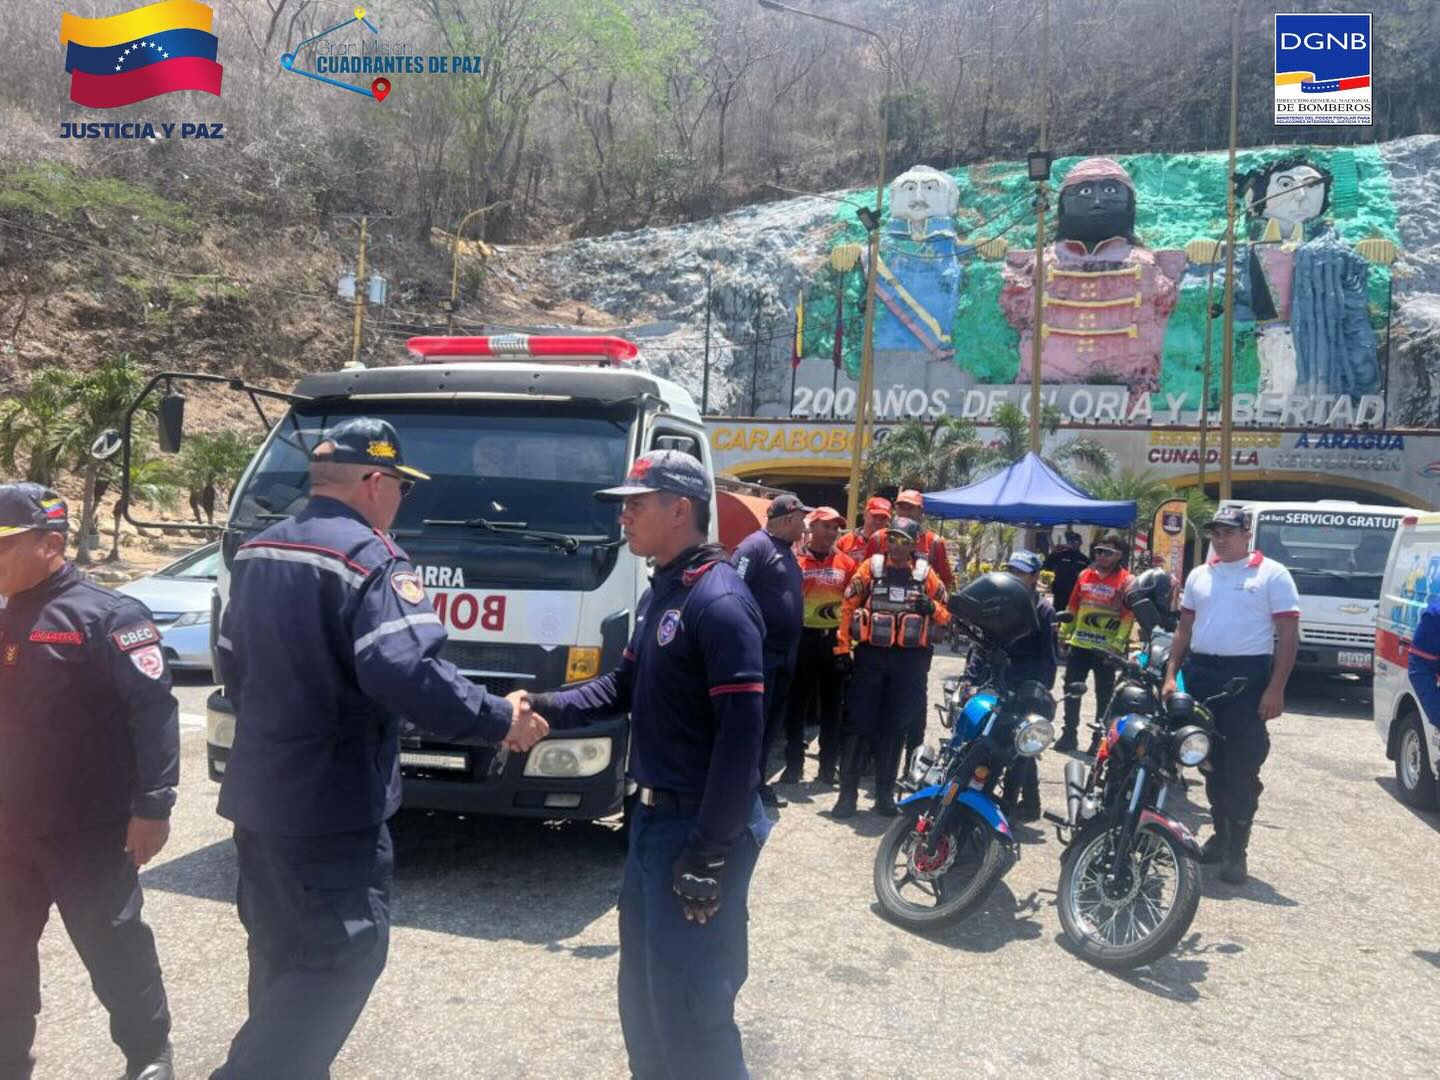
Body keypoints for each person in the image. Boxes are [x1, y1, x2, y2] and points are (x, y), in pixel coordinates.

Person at [212, 418, 548, 1079]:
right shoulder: (371, 559)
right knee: (345, 954)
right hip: (331, 805)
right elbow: (405, 671)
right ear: (374, 482)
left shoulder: (256, 551)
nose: (401, 500)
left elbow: (230, 663)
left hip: (258, 798)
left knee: (283, 961)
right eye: (401, 487)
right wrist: (496, 718)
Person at [521, 449, 769, 1080]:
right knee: (645, 998)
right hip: (653, 825)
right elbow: (620, 688)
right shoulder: (664, 591)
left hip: (697, 831)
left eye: (635, 503)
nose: (623, 516)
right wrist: (542, 703)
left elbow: (743, 743)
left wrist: (710, 853)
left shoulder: (720, 602)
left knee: (694, 1010)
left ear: (680, 508)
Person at [0, 484, 178, 1080]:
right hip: (8, 831)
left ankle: (149, 1055)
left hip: (88, 831)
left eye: (4, 547)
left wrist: (154, 804)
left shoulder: (108, 616)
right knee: (4, 960)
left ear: (51, 544)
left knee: (114, 949)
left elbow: (153, 713)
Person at [1163, 506, 1299, 885]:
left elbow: (1288, 635)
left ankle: (1237, 849)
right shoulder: (1199, 575)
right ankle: (1220, 837)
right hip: (1201, 673)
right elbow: (1183, 630)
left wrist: (1276, 688)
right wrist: (1171, 674)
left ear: (1246, 534)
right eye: (1215, 532)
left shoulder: (1272, 574)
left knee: (1241, 768)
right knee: (1208, 762)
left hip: (1246, 677)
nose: (1221, 538)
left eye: (1228, 531)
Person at [832, 518, 951, 818]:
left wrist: (931, 608)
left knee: (895, 728)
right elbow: (847, 607)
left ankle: (884, 795)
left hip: (909, 661)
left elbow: (948, 615)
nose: (897, 545)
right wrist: (843, 647)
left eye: (903, 540)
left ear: (914, 544)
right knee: (859, 724)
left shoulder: (926, 575)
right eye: (892, 538)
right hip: (872, 656)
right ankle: (847, 796)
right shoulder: (870, 569)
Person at [865, 490, 955, 761]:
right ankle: (874, 757)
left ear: (921, 512)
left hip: (917, 637)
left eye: (911, 508)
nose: (905, 511)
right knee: (877, 697)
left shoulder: (934, 543)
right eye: (901, 506)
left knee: (915, 698)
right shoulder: (879, 539)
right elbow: (865, 578)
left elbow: (945, 587)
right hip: (879, 635)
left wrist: (939, 619)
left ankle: (912, 759)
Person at [731, 491, 807, 808]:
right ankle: (741, 790)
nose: (805, 525)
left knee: (771, 726)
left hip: (784, 655)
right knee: (753, 725)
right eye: (802, 519)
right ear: (788, 518)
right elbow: (731, 590)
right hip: (761, 654)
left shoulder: (786, 551)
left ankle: (757, 783)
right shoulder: (755, 546)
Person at [784, 507, 858, 785]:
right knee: (798, 705)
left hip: (834, 643)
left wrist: (848, 645)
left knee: (832, 707)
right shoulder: (795, 561)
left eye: (836, 527)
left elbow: (853, 605)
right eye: (826, 526)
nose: (832, 532)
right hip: (802, 640)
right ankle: (793, 766)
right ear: (812, 527)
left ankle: (828, 767)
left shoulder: (847, 564)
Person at [984, 551, 1058, 821]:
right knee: (991, 740)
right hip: (998, 679)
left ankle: (1012, 804)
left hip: (1028, 684)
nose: (1016, 576)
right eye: (1012, 570)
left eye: (1022, 572)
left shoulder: (1043, 609)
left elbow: (1048, 658)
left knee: (1022, 745)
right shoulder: (997, 601)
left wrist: (1041, 691)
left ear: (1034, 577)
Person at [1057, 532, 1133, 753]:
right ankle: (1069, 733)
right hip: (1080, 644)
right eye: (1098, 551)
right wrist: (1063, 633)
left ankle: (1098, 738)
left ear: (1119, 555)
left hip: (1106, 649)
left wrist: (1117, 645)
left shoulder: (1126, 581)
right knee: (1072, 689)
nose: (1101, 556)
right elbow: (1073, 606)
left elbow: (1128, 617)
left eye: (1107, 553)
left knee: (1104, 695)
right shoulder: (1084, 575)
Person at [1042, 530, 1091, 612]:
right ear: (1068, 542)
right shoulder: (1060, 555)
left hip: (1075, 592)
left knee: (1072, 613)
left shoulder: (1084, 559)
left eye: (1076, 541)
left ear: (1080, 543)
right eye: (1071, 541)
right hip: (1060, 591)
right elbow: (1047, 564)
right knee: (1058, 614)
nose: (1073, 543)